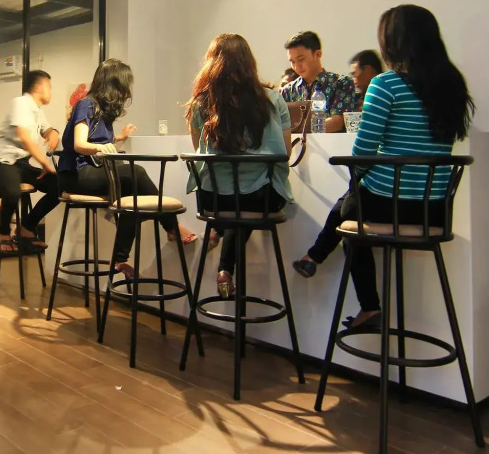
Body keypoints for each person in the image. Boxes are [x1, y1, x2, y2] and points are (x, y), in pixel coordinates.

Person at [292, 5, 475, 330]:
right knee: (352, 207)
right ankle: (317, 259)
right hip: (434, 209)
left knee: (350, 210)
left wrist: (357, 180)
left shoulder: (385, 84)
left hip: (389, 204)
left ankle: (362, 300)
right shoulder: (453, 84)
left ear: (392, 41)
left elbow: (363, 151)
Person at [58, 59, 194, 279]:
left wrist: (119, 138)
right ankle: (171, 226)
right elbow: (79, 144)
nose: (126, 91)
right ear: (114, 84)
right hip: (76, 175)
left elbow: (98, 142)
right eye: (124, 84)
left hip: (91, 171)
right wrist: (101, 147)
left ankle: (120, 258)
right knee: (136, 172)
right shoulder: (86, 104)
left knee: (133, 196)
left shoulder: (102, 111)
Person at [185, 35, 293, 298]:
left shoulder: (200, 103)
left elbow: (199, 151)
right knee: (246, 200)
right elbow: (286, 152)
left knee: (234, 202)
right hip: (262, 200)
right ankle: (225, 266)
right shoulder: (273, 99)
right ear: (248, 62)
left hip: (213, 200)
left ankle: (222, 258)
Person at [0, 70, 62, 252]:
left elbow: (47, 130)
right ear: (39, 86)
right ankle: (4, 234)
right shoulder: (20, 103)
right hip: (0, 161)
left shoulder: (37, 110)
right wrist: (44, 162)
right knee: (13, 191)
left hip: (20, 164)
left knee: (59, 185)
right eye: (49, 86)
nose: (51, 91)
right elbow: (24, 136)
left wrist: (54, 133)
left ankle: (27, 228)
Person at [280, 31, 357, 132]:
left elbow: (338, 122)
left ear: (317, 54)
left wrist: (303, 130)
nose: (296, 66)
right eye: (292, 62)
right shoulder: (288, 91)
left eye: (301, 59)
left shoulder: (341, 83)